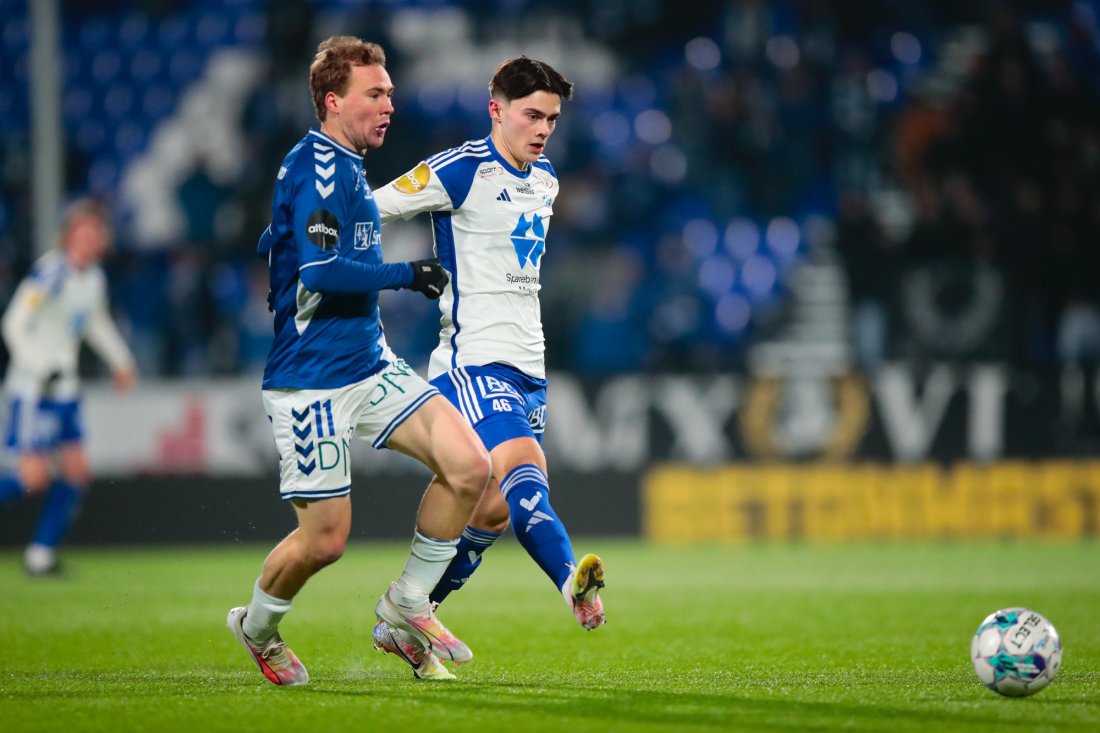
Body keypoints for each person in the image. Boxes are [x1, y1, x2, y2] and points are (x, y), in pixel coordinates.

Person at [225, 36, 492, 685]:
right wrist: (407, 272)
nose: (389, 105)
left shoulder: (344, 167)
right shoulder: (317, 166)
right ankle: (256, 626)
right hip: (310, 379)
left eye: (391, 93)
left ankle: (407, 602)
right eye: (376, 94)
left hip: (369, 364)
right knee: (326, 541)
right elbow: (320, 268)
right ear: (333, 99)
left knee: (470, 467)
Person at [369, 57, 606, 676]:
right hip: (472, 361)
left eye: (552, 118)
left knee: (495, 510)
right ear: (496, 108)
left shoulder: (546, 178)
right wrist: (307, 232)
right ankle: (570, 583)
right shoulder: (462, 168)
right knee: (527, 471)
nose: (544, 128)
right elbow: (376, 206)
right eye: (532, 114)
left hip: (530, 363)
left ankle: (406, 616)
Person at [0, 198, 137, 576]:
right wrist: (40, 367)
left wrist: (121, 361)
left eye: (96, 233)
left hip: (65, 391)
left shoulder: (92, 277)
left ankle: (40, 555)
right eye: (83, 232)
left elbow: (94, 323)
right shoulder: (50, 273)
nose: (90, 240)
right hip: (33, 391)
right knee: (32, 478)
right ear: (69, 235)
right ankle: (40, 553)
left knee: (76, 473)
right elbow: (13, 324)